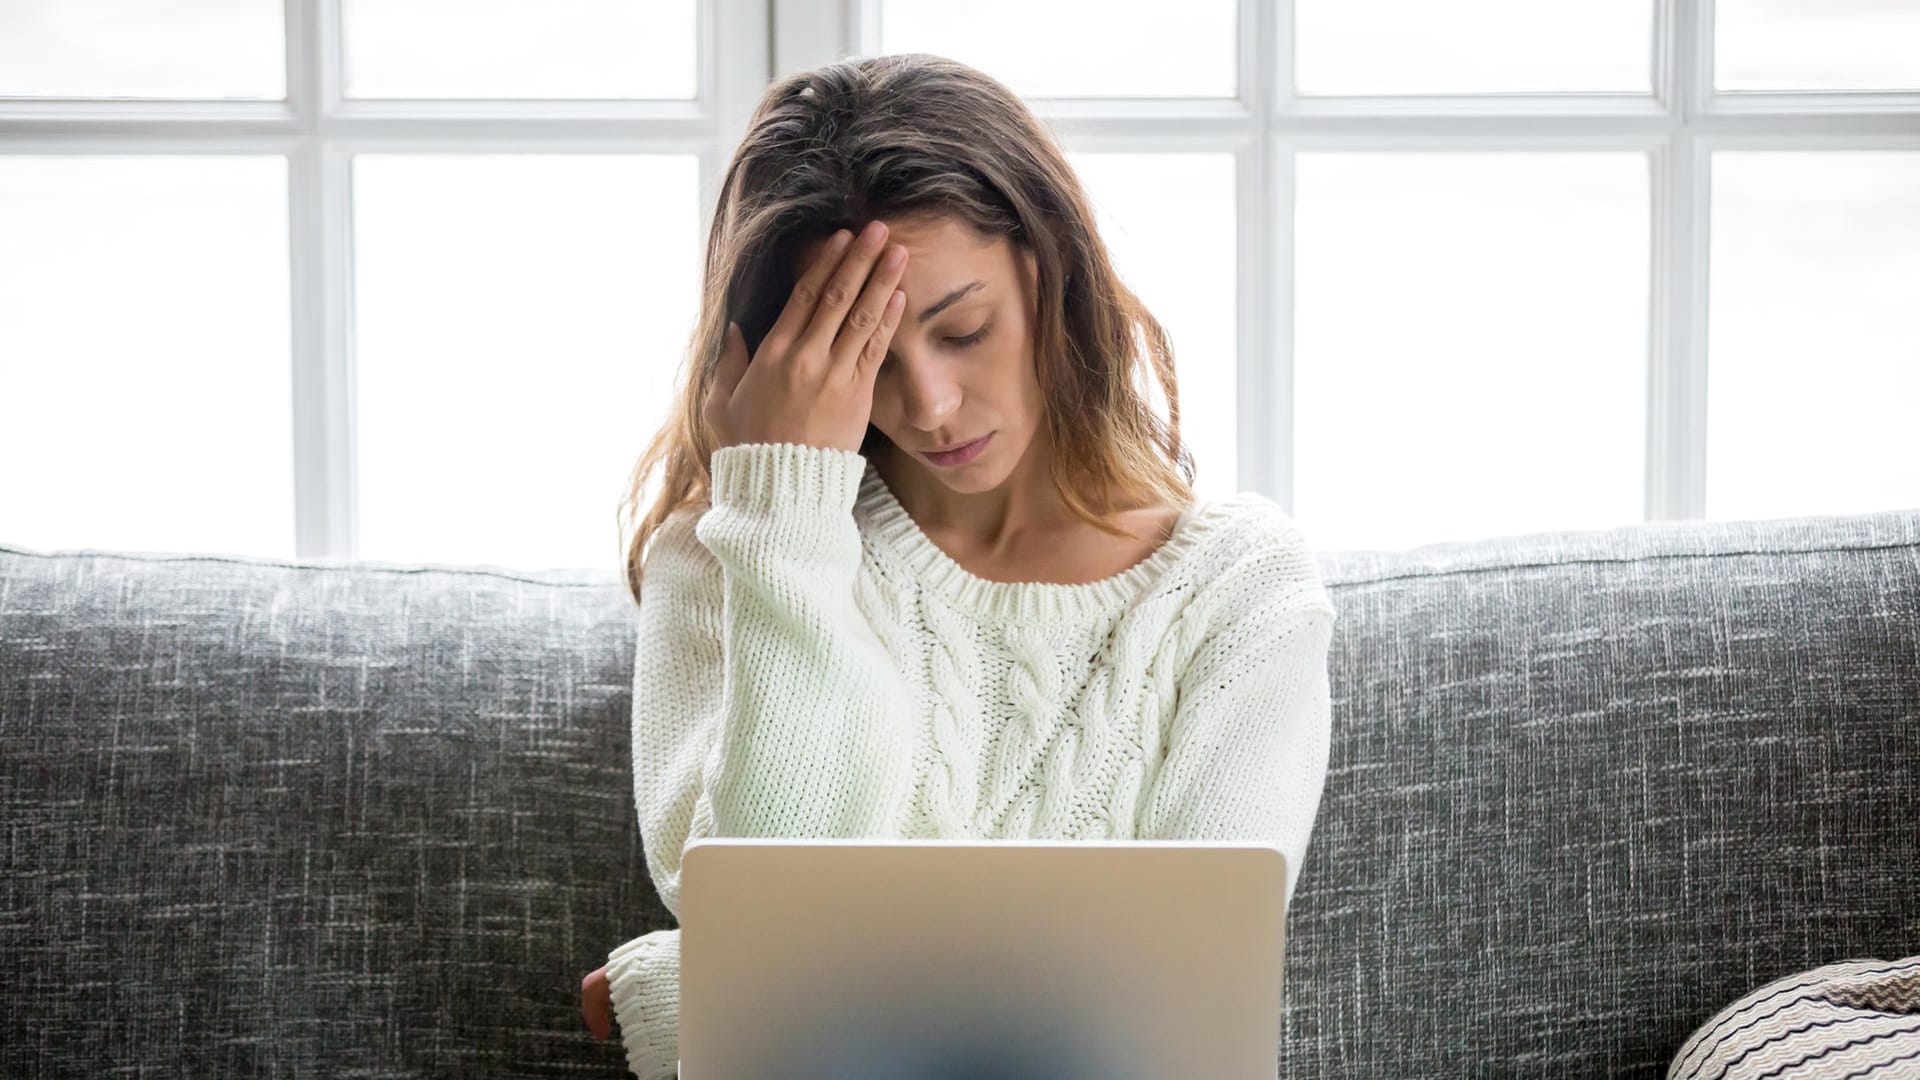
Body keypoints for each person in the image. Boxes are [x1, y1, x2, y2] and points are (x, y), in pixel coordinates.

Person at [580, 52, 1340, 1080]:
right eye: (869, 362)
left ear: (1049, 270)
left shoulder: (1242, 591)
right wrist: (784, 509)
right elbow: (767, 901)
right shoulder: (738, 552)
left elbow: (1180, 1015)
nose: (928, 405)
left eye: (963, 329)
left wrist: (680, 999)